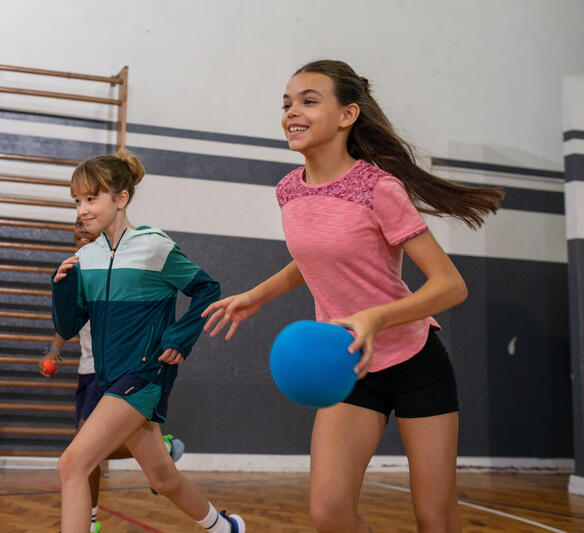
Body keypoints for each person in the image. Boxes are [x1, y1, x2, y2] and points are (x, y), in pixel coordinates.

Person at [202, 60, 503, 533]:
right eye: (286, 103)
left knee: (435, 519)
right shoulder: (288, 192)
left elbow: (450, 285)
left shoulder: (378, 188)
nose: (292, 112)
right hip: (347, 366)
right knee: (329, 513)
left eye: (308, 100)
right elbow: (318, 256)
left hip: (414, 361)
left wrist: (375, 319)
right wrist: (258, 295)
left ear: (347, 115)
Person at [52, 150, 245, 533]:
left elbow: (207, 289)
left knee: (72, 464)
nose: (82, 209)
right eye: (77, 201)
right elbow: (71, 324)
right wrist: (61, 287)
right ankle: (226, 529)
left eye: (92, 198)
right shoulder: (86, 257)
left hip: (144, 374)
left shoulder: (153, 245)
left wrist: (179, 338)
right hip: (109, 379)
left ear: (120, 198)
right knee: (162, 478)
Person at [40, 217, 185, 533]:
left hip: (117, 371)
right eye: (75, 224)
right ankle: (91, 518)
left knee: (80, 449)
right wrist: (54, 350)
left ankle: (90, 520)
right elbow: (67, 322)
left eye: (85, 223)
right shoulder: (77, 268)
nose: (81, 228)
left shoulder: (117, 263)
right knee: (85, 456)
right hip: (86, 371)